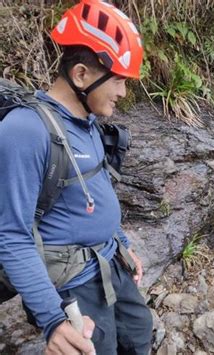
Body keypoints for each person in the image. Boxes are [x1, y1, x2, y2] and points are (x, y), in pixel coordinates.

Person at [0, 1, 153, 354]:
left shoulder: (87, 123)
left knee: (139, 333)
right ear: (82, 75)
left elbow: (95, 190)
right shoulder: (25, 131)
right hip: (74, 284)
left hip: (112, 262)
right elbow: (11, 236)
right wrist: (54, 320)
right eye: (117, 81)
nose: (123, 93)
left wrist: (123, 244)